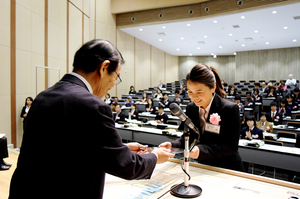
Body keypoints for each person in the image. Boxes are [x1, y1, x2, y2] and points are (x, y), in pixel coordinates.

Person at [9, 39, 174, 199]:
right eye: (115, 78)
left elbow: (66, 147)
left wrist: (120, 148)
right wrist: (154, 156)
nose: (112, 85)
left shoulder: (43, 96)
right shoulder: (93, 105)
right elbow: (126, 166)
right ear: (104, 68)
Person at [159, 63, 245, 172]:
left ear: (213, 87)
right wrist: (173, 145)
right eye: (190, 92)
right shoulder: (191, 108)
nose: (194, 97)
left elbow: (231, 147)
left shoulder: (229, 109)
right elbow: (188, 136)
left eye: (199, 92)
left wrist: (201, 150)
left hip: (227, 168)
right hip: (203, 167)